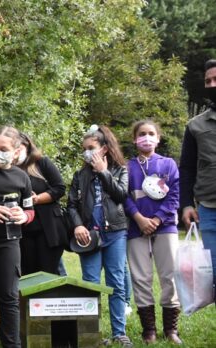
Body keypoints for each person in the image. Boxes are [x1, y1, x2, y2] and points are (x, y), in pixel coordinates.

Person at [68, 125, 132, 347]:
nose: (87, 152)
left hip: (115, 232)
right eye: (84, 149)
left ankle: (119, 332)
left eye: (91, 148)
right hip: (89, 237)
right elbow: (72, 205)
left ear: (104, 149)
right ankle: (91, 333)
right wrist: (77, 226)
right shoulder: (80, 175)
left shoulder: (120, 170)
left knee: (116, 282)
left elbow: (121, 194)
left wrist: (104, 172)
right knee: (90, 283)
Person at [125, 120, 182, 344]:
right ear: (134, 139)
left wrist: (157, 219)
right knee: (141, 278)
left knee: (170, 276)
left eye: (151, 134)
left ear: (158, 138)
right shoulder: (127, 167)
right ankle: (148, 330)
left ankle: (171, 330)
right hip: (136, 227)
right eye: (142, 134)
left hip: (165, 226)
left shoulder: (168, 164)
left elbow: (174, 196)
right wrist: (139, 219)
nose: (146, 137)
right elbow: (123, 197)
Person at [0, 126, 35, 348]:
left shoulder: (21, 177)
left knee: (9, 297)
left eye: (3, 149)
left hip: (8, 242)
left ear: (16, 151)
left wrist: (25, 216)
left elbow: (30, 210)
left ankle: (12, 344)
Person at [180, 58, 216, 290]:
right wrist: (186, 204)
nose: (212, 84)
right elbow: (187, 168)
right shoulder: (196, 125)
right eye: (208, 81)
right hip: (209, 209)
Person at [16, 132, 67, 275]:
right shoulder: (8, 168)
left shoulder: (41, 162)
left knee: (49, 273)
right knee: (27, 274)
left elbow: (59, 188)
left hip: (48, 229)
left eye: (18, 147)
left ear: (26, 146)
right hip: (23, 231)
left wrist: (37, 198)